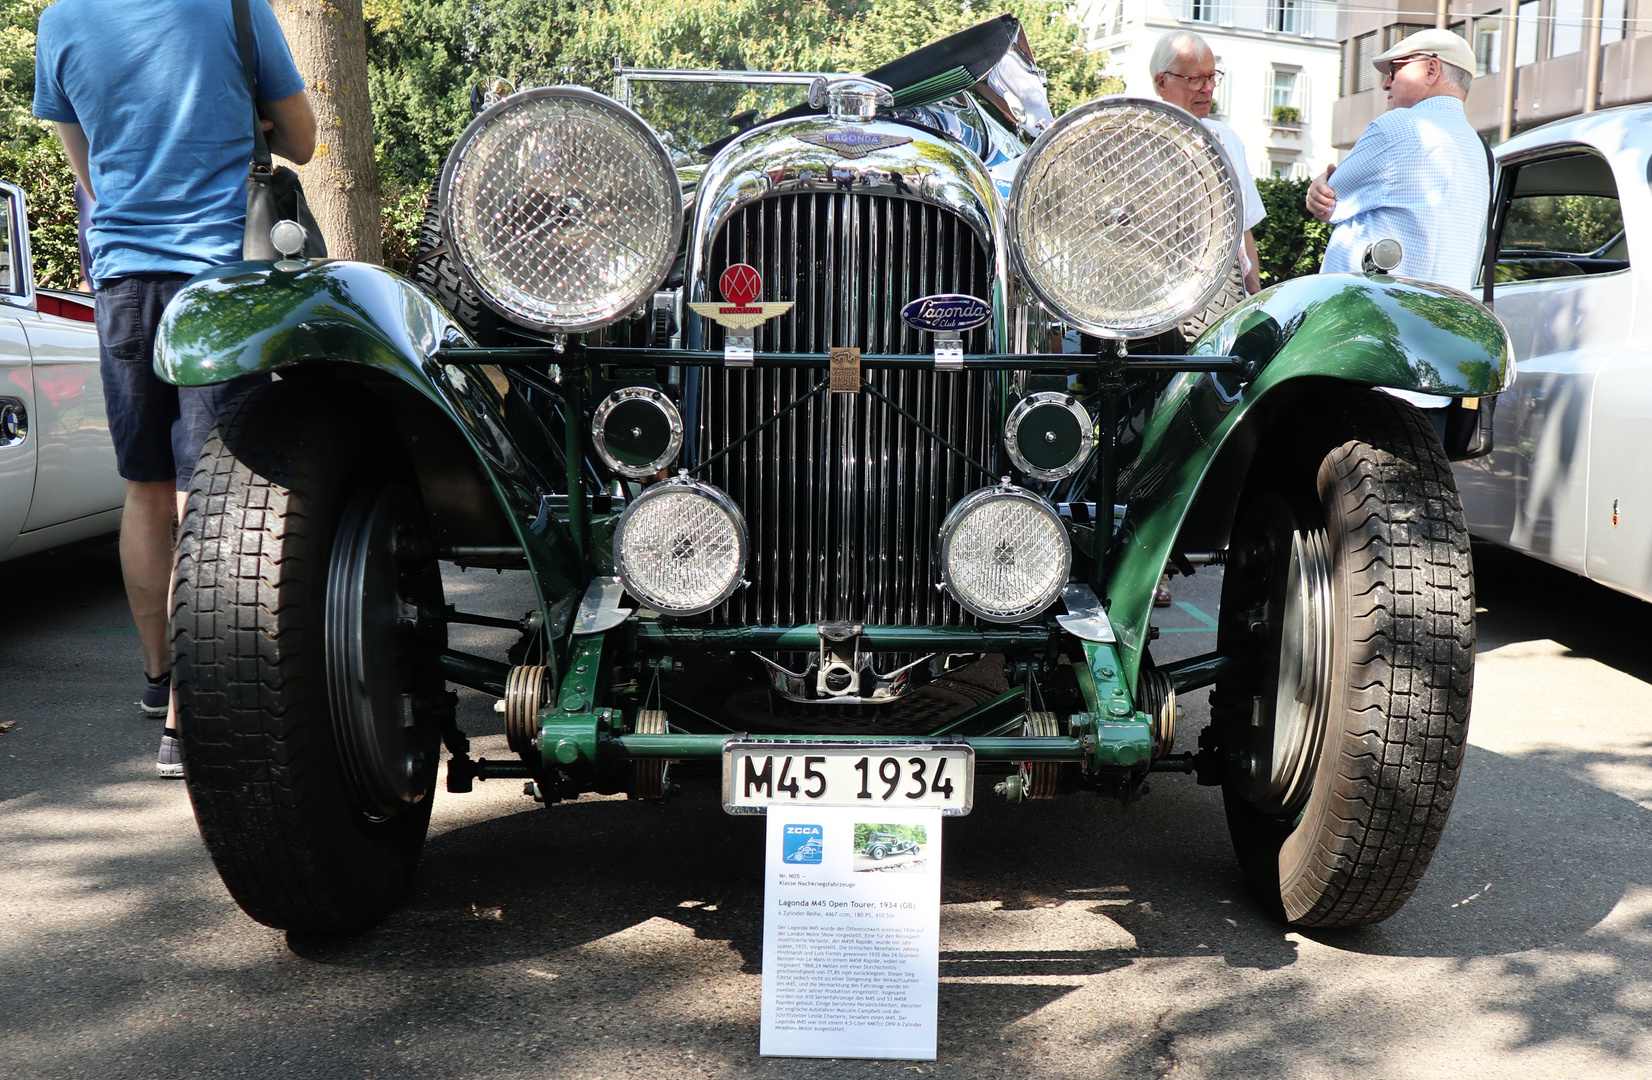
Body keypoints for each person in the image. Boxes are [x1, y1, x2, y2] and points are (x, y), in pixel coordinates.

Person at [32, 0, 316, 776]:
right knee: (208, 493)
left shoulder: (61, 21)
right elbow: (303, 141)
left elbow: (84, 165)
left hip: (123, 276)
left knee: (147, 485)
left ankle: (159, 680)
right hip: (221, 276)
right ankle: (189, 723)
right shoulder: (235, 9)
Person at [1304, 27, 1489, 428]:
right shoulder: (1479, 150)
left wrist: (1315, 188)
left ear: (1432, 69)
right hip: (1437, 370)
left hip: (1366, 361)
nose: (1386, 82)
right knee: (1419, 490)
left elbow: (1329, 201)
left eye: (1396, 68)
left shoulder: (1398, 127)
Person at [1150, 30, 1265, 295]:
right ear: (1161, 83)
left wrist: (1255, 299)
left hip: (1227, 304)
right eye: (1195, 79)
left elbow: (1244, 231)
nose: (1208, 88)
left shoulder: (1229, 140)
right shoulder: (1136, 144)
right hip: (1159, 302)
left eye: (1212, 76)